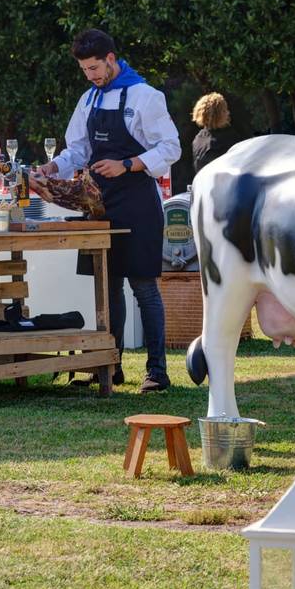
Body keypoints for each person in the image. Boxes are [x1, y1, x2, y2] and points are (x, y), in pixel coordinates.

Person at [39, 29, 181, 393]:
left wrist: (129, 163)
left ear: (112, 59)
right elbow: (77, 151)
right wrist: (53, 168)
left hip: (137, 203)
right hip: (98, 204)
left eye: (94, 68)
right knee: (107, 286)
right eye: (85, 70)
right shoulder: (88, 101)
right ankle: (109, 365)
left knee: (144, 288)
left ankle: (157, 371)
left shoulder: (146, 97)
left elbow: (171, 148)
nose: (91, 75)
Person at [191, 92, 240, 173]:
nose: (228, 112)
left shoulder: (198, 139)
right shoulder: (229, 139)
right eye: (225, 110)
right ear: (221, 113)